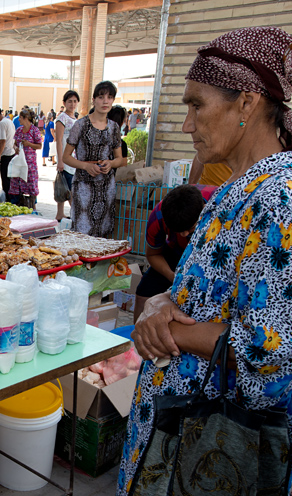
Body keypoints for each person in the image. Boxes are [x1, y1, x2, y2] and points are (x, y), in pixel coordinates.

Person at [43, 26, 292, 496]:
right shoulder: (251, 184)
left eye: (195, 105)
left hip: (198, 424)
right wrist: (167, 306)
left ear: (247, 103)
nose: (184, 122)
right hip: (193, 414)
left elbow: (274, 353)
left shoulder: (284, 200)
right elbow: (223, 295)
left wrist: (171, 327)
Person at [133, 184, 216, 321]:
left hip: (212, 254)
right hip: (175, 250)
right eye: (178, 230)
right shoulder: (158, 216)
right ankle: (136, 337)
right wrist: (172, 277)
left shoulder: (220, 204)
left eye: (190, 229)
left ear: (203, 211)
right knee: (144, 292)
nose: (184, 234)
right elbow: (153, 254)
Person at [63, 81, 125, 237]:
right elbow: (66, 157)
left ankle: (103, 263)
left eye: (110, 97)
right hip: (84, 187)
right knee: (82, 233)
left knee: (104, 233)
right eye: (101, 97)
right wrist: (85, 166)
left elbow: (120, 159)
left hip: (106, 187)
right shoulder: (80, 125)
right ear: (94, 99)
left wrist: (110, 163)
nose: (105, 101)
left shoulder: (114, 128)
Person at [55, 90, 80, 224]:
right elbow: (58, 140)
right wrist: (60, 161)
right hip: (65, 159)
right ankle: (76, 214)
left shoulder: (75, 119)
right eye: (69, 101)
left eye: (75, 101)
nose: (72, 104)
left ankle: (60, 214)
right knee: (69, 188)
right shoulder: (62, 118)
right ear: (64, 103)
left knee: (64, 186)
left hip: (73, 159)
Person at [9, 107, 42, 206]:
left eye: (20, 117)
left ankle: (32, 204)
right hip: (18, 161)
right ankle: (17, 203)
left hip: (29, 163)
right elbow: (14, 143)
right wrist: (16, 148)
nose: (18, 119)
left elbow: (39, 146)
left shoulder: (34, 130)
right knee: (16, 181)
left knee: (30, 182)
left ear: (25, 118)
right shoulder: (19, 130)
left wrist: (29, 144)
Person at [0, 106, 16, 196]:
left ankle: (8, 199)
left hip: (6, 155)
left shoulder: (1, 123)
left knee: (5, 180)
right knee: (10, 179)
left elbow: (3, 141)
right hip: (12, 153)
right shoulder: (9, 121)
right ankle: (11, 198)